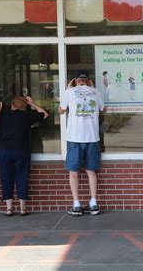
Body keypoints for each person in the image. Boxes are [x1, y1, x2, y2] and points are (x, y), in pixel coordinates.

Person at [0, 96, 48, 216]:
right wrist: (33, 103)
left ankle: (9, 209)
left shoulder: (5, 115)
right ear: (25, 106)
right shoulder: (27, 115)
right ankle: (22, 209)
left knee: (6, 177)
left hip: (5, 150)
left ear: (12, 105)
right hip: (21, 149)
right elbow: (45, 114)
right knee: (22, 177)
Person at [58, 71, 105, 216]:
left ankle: (77, 204)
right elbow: (103, 109)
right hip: (92, 137)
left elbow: (61, 110)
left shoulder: (69, 91)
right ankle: (93, 203)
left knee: (73, 173)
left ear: (75, 80)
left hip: (74, 137)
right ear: (88, 80)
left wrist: (68, 88)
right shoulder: (96, 92)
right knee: (91, 171)